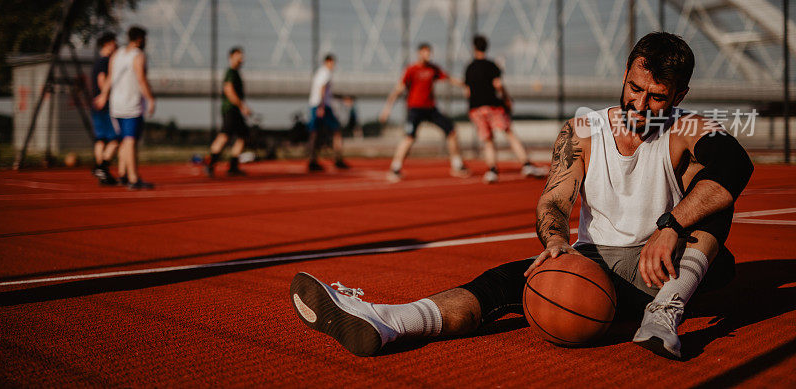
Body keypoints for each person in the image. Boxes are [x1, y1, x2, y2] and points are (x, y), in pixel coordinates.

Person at [290, 32, 754, 360]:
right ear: (625, 74)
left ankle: (664, 314)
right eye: (635, 87)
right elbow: (554, 202)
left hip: (663, 267)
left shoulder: (687, 126)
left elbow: (736, 165)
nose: (640, 103)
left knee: (716, 195)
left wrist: (670, 227)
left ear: (679, 95)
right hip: (593, 265)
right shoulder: (583, 130)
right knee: (498, 285)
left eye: (656, 96)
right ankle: (389, 320)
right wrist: (554, 242)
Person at [379, 43, 470, 182]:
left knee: (451, 131)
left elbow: (450, 79)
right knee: (409, 137)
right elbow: (398, 89)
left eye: (429, 53)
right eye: (425, 52)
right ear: (419, 53)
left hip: (431, 109)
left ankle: (457, 165)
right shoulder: (411, 70)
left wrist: (466, 84)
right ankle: (395, 168)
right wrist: (387, 109)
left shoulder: (433, 69)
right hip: (415, 109)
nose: (427, 55)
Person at [464, 34, 548, 183]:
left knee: (488, 140)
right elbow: (498, 85)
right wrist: (506, 99)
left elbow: (467, 92)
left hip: (476, 109)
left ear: (474, 48)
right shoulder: (492, 65)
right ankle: (526, 164)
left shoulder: (469, 68)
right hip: (493, 106)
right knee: (508, 133)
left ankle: (492, 171)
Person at [94, 26, 156, 190]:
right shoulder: (138, 56)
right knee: (130, 141)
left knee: (123, 141)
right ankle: (134, 178)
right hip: (131, 104)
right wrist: (150, 99)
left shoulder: (117, 54)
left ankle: (122, 174)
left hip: (116, 105)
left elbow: (110, 78)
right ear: (140, 39)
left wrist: (104, 95)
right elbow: (141, 79)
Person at [205, 47, 251, 176]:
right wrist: (242, 106)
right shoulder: (230, 72)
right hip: (231, 109)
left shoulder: (235, 73)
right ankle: (210, 163)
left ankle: (233, 165)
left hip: (235, 110)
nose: (242, 58)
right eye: (239, 55)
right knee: (224, 136)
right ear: (231, 56)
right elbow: (229, 90)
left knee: (243, 135)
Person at [306, 54, 348, 172]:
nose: (334, 65)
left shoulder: (320, 73)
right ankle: (337, 159)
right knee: (335, 131)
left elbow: (326, 92)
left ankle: (313, 161)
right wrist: (321, 106)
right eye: (333, 63)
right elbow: (322, 89)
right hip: (321, 106)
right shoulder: (325, 73)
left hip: (318, 105)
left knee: (316, 133)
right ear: (328, 62)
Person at [90, 32, 120, 185]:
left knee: (100, 139)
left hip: (97, 104)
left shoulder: (98, 61)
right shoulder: (106, 61)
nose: (116, 45)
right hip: (105, 105)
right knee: (116, 138)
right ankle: (102, 166)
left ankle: (100, 169)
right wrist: (105, 95)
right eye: (114, 43)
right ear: (108, 44)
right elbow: (102, 80)